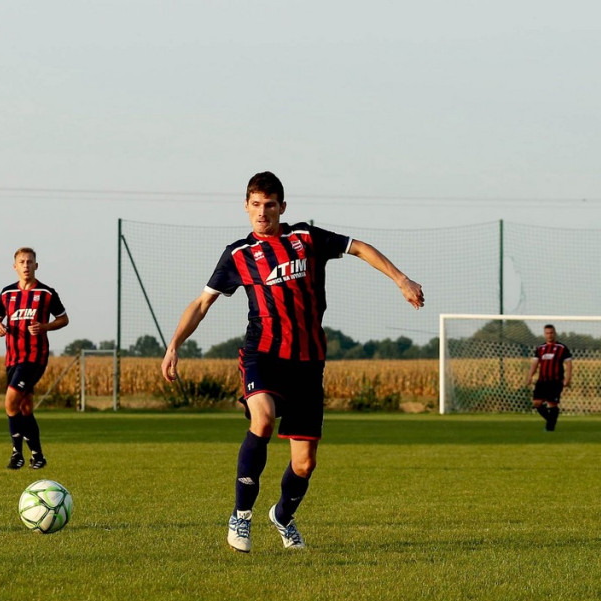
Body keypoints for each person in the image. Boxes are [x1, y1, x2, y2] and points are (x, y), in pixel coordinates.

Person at [161, 171, 424, 553]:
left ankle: (282, 515)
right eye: (255, 204)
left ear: (282, 207)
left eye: (269, 205)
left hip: (308, 363)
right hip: (262, 355)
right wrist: (174, 344)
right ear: (246, 206)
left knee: (304, 464)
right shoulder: (238, 254)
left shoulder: (306, 238)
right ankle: (241, 516)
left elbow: (359, 247)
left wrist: (401, 279)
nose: (262, 212)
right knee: (263, 419)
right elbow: (202, 303)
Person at [0, 247, 69, 470]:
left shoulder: (46, 293)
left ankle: (17, 453)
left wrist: (44, 326)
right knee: (24, 408)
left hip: (34, 357)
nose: (26, 265)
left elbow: (63, 319)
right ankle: (38, 456)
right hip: (12, 359)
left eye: (30, 261)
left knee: (10, 400)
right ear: (14, 266)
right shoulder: (7, 293)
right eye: (22, 262)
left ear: (36, 265)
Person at [527, 324, 572, 431]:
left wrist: (568, 378)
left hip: (555, 381)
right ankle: (551, 421)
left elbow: (569, 364)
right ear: (544, 334)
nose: (549, 335)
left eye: (551, 333)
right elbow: (535, 363)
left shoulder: (562, 348)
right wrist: (530, 375)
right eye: (547, 333)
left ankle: (549, 428)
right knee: (536, 403)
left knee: (552, 403)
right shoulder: (540, 348)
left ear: (555, 333)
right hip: (542, 381)